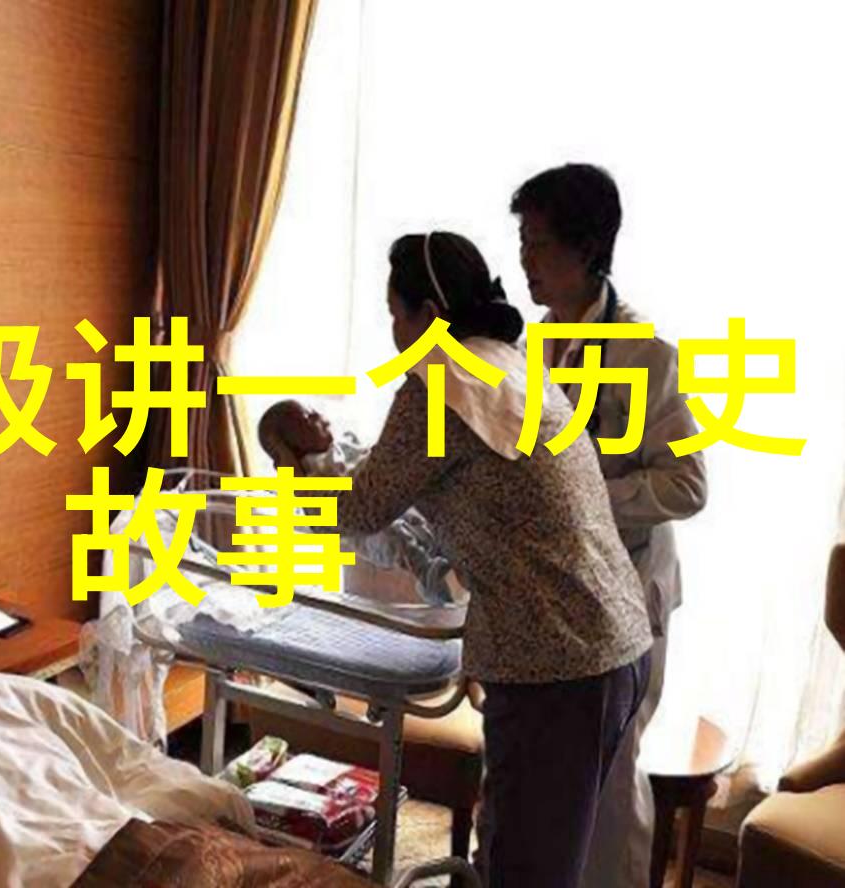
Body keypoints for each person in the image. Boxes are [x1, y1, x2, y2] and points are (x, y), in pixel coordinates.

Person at [274, 231, 653, 888]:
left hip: (556, 661)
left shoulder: (440, 383)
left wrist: (295, 462)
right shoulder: (511, 365)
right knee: (525, 847)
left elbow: (359, 510)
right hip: (607, 643)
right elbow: (444, 503)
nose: (394, 332)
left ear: (428, 314)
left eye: (395, 315)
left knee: (524, 866)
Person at [513, 163, 708, 888]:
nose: (525, 259)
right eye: (522, 241)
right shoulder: (532, 347)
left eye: (538, 243)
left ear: (588, 247)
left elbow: (687, 484)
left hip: (625, 590)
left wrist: (589, 495)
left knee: (609, 777)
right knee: (547, 773)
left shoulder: (644, 353)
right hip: (555, 590)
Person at [258, 399, 454, 604]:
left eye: (314, 412)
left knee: (419, 517)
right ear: (293, 450)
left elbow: (368, 457)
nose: (318, 416)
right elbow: (324, 511)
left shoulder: (342, 445)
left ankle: (440, 547)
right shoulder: (310, 475)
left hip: (383, 502)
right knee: (394, 537)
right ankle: (424, 572)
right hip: (366, 531)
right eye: (308, 419)